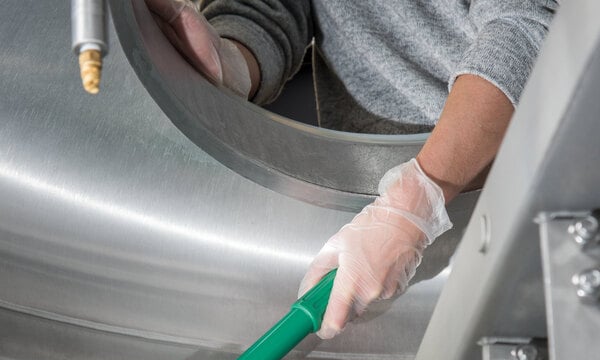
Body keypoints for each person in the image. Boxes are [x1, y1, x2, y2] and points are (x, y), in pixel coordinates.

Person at [147, 0, 558, 339]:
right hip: (377, 218)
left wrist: (415, 204)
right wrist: (233, 58)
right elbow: (276, 9)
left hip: (528, 197)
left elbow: (536, 28)